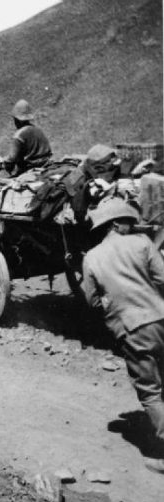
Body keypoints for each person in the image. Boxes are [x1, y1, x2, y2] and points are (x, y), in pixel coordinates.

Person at [81, 197, 164, 473]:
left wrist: (111, 304)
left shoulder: (92, 258)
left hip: (133, 329)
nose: (130, 226)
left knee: (151, 392)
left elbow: (92, 301)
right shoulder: (143, 243)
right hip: (162, 317)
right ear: (115, 224)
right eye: (127, 222)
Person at [0, 99, 52, 176]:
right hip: (46, 164)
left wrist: (3, 161)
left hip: (30, 169)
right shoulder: (37, 129)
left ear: (17, 120)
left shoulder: (18, 135)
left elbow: (12, 159)